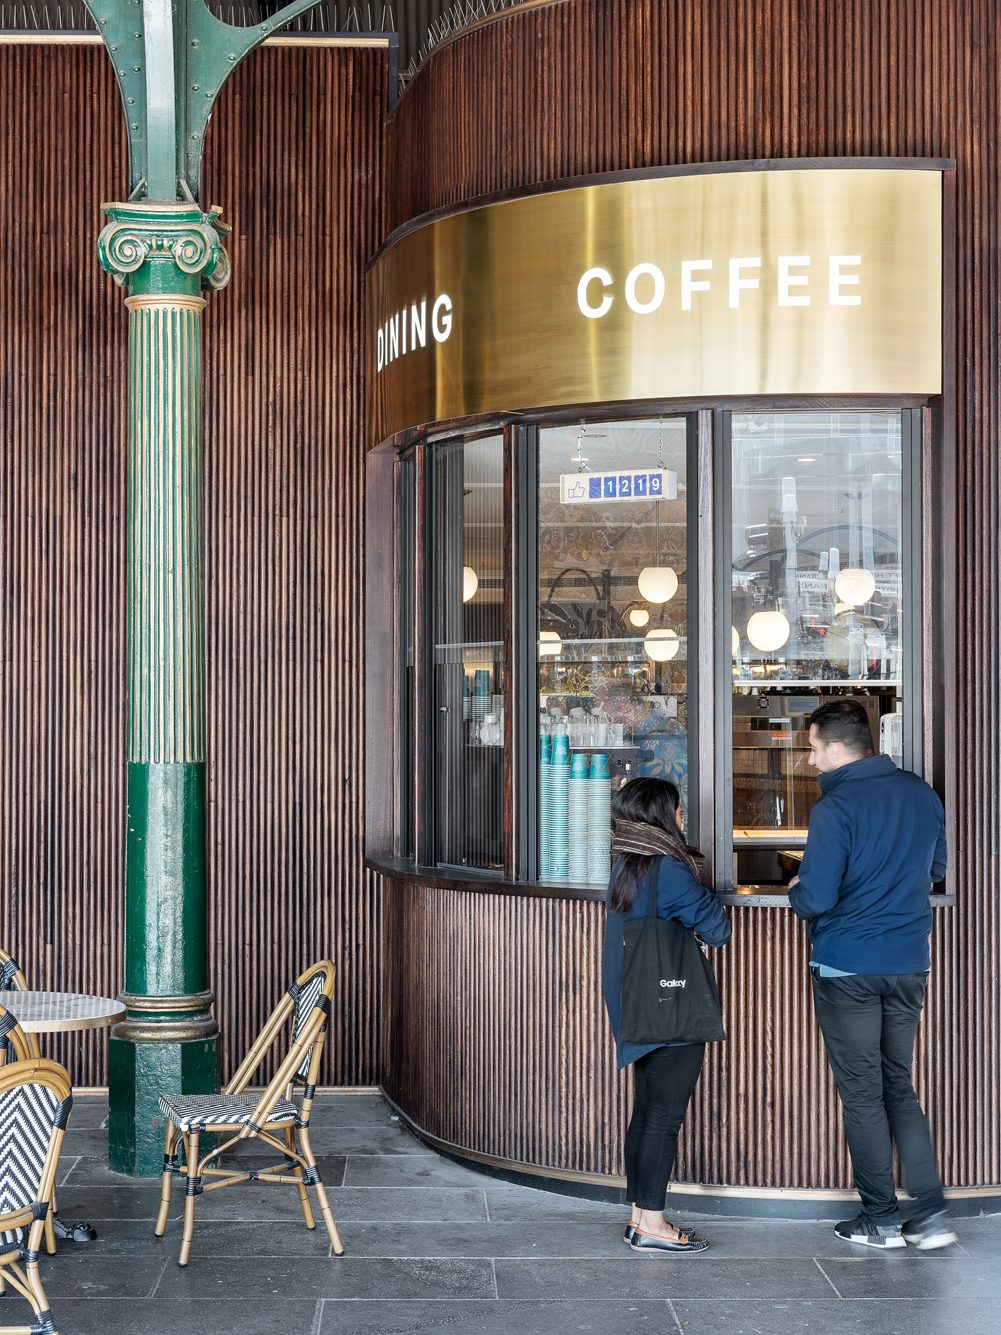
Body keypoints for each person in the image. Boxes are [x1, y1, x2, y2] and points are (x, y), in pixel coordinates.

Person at [788, 698, 954, 1250]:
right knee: (897, 1086)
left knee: (862, 1094)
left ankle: (880, 1218)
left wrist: (796, 891)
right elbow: (934, 873)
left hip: (847, 966)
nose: (811, 760)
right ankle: (928, 1215)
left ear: (836, 747)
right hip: (908, 963)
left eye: (812, 748)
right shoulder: (922, 795)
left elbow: (816, 897)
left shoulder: (836, 809)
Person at [602, 777, 731, 1254]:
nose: (682, 819)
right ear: (662, 815)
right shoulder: (669, 871)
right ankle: (654, 1225)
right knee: (663, 1118)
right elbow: (718, 929)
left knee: (647, 1113)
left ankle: (639, 1217)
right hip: (668, 1006)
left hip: (636, 1003)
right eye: (677, 811)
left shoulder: (626, 864)